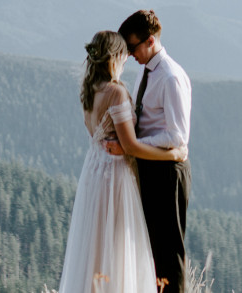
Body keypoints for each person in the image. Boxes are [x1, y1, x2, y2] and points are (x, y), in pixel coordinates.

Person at [57, 30, 188, 293]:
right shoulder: (116, 92)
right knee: (117, 245)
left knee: (95, 243)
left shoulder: (89, 91)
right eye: (124, 54)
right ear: (114, 57)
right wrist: (172, 154)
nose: (128, 59)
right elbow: (129, 145)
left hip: (93, 173)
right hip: (114, 176)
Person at [108, 10, 193, 293]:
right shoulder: (146, 72)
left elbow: (177, 136)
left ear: (151, 41)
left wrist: (134, 145)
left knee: (169, 251)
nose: (130, 54)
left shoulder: (169, 77)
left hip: (168, 172)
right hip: (149, 167)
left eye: (132, 47)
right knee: (152, 248)